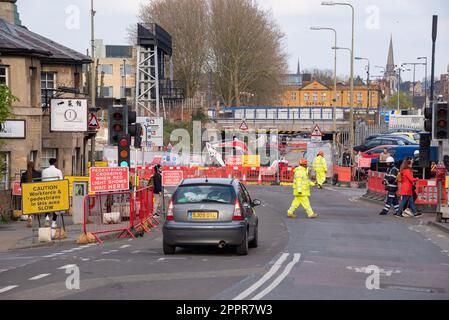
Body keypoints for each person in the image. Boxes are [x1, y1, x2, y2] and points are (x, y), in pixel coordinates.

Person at [41, 158, 63, 226]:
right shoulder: (58, 171)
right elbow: (61, 181)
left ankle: (47, 219)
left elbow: (42, 180)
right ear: (55, 163)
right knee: (56, 206)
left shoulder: (44, 171)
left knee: (47, 205)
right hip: (55, 190)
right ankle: (53, 222)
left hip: (46, 190)